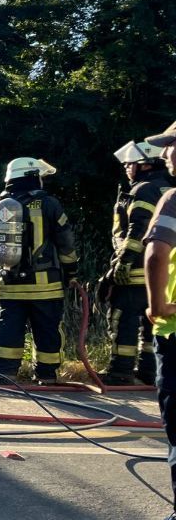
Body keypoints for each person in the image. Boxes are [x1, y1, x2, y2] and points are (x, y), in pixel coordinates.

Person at [0, 157, 78, 385]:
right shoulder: (49, 204)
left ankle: (5, 373)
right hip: (45, 285)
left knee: (8, 327)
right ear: (32, 177)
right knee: (46, 329)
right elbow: (66, 242)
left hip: (8, 281)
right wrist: (71, 272)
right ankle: (46, 376)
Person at [103, 141, 173, 385]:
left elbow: (138, 228)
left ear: (145, 164)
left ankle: (120, 371)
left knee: (124, 318)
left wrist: (122, 263)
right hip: (163, 275)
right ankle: (148, 372)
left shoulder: (143, 190)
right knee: (150, 325)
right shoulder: (166, 189)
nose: (126, 167)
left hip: (135, 270)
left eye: (130, 163)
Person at [141, 120, 176, 520]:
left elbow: (155, 252)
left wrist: (157, 305)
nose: (165, 154)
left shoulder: (173, 200)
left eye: (170, 147)